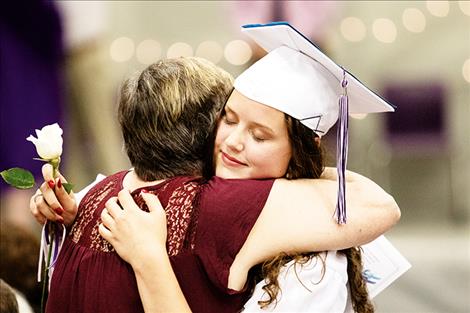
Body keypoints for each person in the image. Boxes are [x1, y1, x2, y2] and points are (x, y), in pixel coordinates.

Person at [31, 42, 399, 313]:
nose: (234, 143)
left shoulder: (105, 192)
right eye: (230, 119)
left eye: (260, 136)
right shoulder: (224, 206)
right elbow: (377, 205)